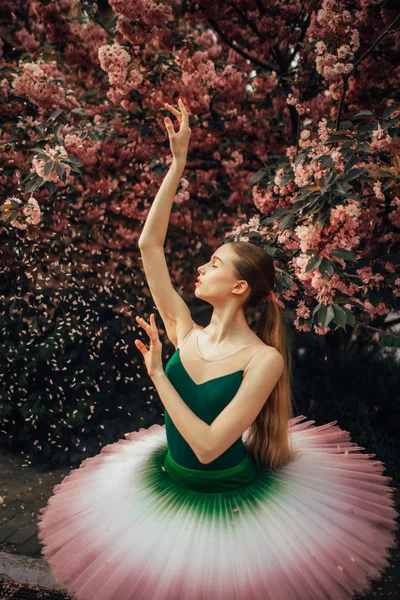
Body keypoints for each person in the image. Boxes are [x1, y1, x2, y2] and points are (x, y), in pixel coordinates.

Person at [38, 99, 398, 600]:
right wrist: (177, 165)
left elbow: (209, 446)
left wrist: (160, 377)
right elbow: (149, 246)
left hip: (233, 504)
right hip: (167, 484)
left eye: (214, 263)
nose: (202, 269)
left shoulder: (263, 360)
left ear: (239, 288)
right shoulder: (183, 327)